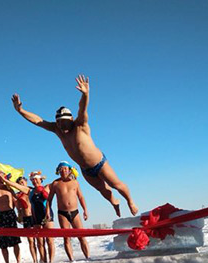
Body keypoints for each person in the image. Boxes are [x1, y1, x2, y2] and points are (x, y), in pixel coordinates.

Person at [12, 74, 138, 217]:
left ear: (71, 119)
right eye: (58, 122)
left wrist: (86, 94)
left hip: (99, 163)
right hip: (85, 169)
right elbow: (38, 121)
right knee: (103, 190)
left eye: (64, 122)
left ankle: (130, 201)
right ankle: (114, 202)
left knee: (116, 185)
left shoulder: (80, 125)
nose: (61, 125)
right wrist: (21, 111)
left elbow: (82, 109)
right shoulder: (57, 130)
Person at [0, 171, 55, 263]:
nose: (34, 181)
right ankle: (44, 261)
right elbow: (15, 186)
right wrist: (4, 179)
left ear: (41, 179)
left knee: (49, 240)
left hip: (47, 215)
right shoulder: (29, 191)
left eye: (36, 179)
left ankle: (51, 261)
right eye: (33, 180)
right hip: (36, 218)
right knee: (40, 242)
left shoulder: (47, 187)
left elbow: (58, 183)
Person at [48, 161, 90, 261]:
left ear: (69, 170)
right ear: (58, 171)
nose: (63, 171)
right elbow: (49, 200)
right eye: (61, 169)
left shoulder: (75, 182)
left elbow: (80, 197)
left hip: (75, 212)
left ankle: (88, 258)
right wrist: (47, 212)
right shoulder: (55, 183)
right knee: (66, 238)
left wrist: (85, 210)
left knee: (81, 236)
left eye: (65, 169)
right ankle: (71, 260)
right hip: (62, 213)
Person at [0, 171, 22, 263]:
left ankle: (18, 262)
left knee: (15, 241)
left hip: (10, 214)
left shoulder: (9, 189)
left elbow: (16, 201)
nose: (0, 178)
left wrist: (19, 213)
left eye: (1, 176)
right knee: (3, 243)